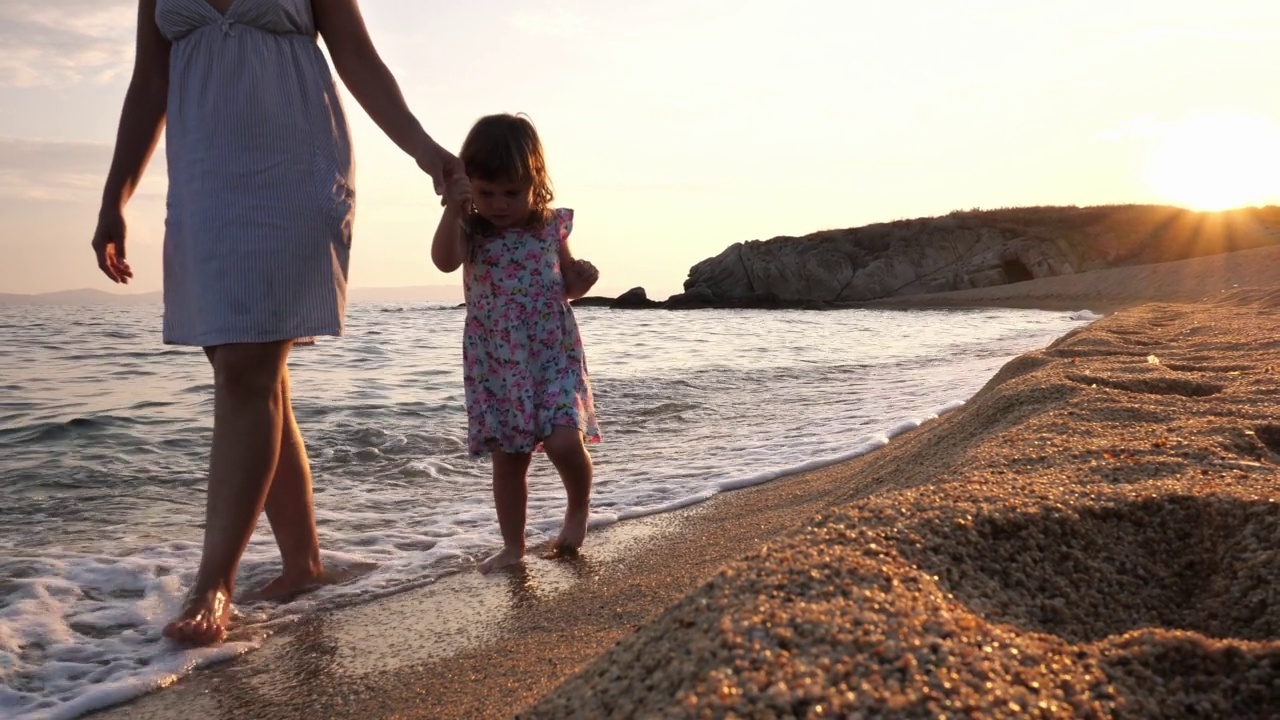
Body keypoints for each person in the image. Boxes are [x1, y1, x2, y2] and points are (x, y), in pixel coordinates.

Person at [91, 0, 459, 645]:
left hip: (296, 168)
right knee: (250, 376)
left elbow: (358, 59)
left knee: (246, 372)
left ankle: (214, 586)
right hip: (206, 179)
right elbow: (149, 82)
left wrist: (427, 153)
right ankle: (303, 563)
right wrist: (115, 198)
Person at [432, 113, 601, 574]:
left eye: (512, 193)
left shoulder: (548, 227)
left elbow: (562, 285)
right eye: (487, 193)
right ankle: (514, 546)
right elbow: (444, 262)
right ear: (470, 185)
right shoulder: (471, 230)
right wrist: (455, 208)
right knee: (510, 460)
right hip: (498, 361)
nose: (500, 204)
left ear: (535, 183)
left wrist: (580, 280)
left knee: (566, 441)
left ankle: (578, 508)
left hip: (553, 352)